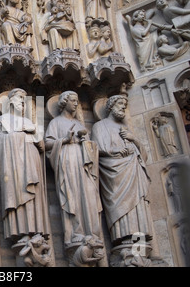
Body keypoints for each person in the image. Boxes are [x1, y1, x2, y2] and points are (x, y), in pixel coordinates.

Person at [45, 91, 105, 265]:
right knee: (73, 198)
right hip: (67, 162)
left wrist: (86, 142)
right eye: (73, 101)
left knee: (89, 197)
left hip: (84, 164)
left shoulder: (79, 123)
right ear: (64, 102)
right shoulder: (56, 123)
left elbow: (93, 148)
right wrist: (64, 140)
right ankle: (76, 235)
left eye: (78, 101)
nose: (76, 104)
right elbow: (47, 143)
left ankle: (92, 235)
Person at [91, 95, 154, 249]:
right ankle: (125, 247)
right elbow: (97, 148)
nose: (122, 107)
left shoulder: (126, 129)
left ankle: (139, 248)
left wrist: (134, 139)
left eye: (125, 105)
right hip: (114, 173)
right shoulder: (99, 126)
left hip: (133, 171)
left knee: (137, 207)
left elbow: (144, 156)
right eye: (119, 104)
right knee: (122, 211)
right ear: (110, 106)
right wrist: (117, 150)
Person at [0, 88, 49, 244]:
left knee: (34, 196)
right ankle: (20, 232)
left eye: (25, 100)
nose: (23, 102)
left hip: (31, 160)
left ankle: (37, 230)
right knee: (17, 192)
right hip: (13, 164)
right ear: (10, 101)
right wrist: (21, 132)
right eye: (20, 98)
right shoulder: (0, 120)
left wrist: (33, 132)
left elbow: (42, 147)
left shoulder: (29, 122)